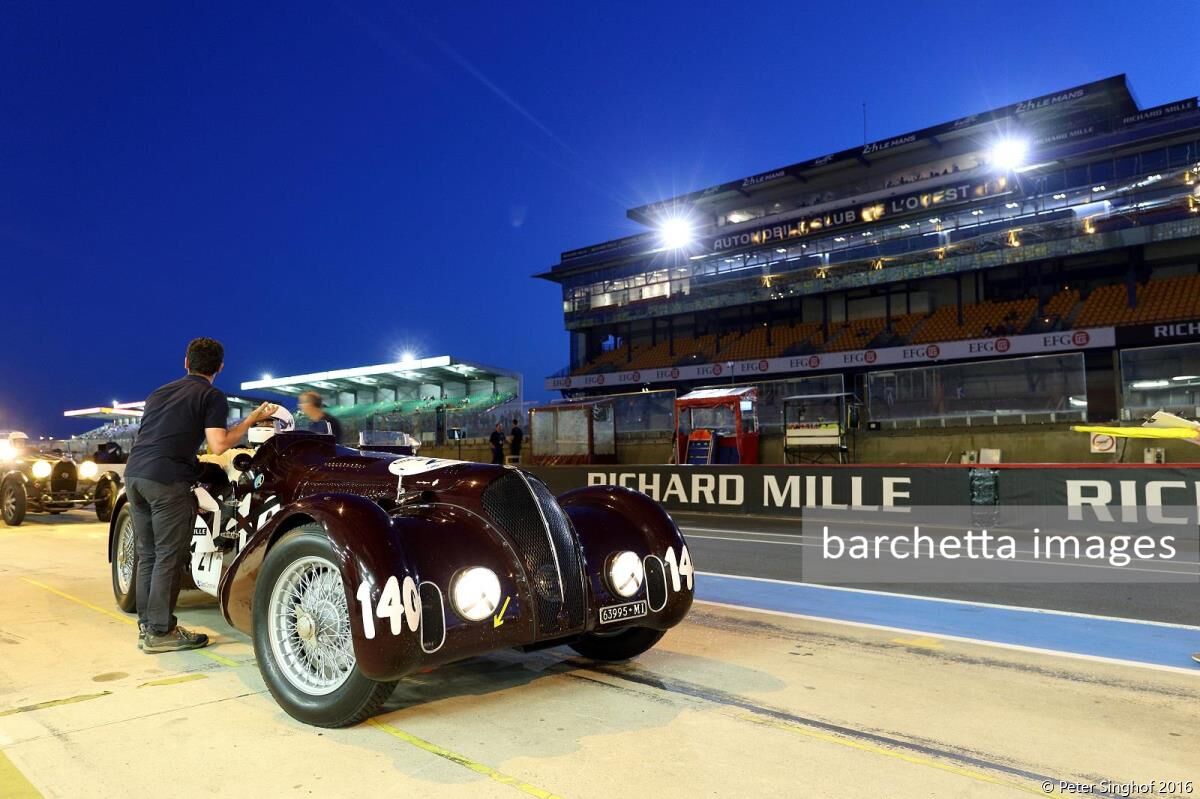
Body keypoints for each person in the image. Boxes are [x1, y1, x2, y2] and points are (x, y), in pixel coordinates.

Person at [124, 337, 278, 654]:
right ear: (219, 367)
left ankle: (148, 626)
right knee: (169, 556)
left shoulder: (158, 393)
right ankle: (161, 632)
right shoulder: (210, 395)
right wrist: (250, 421)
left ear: (186, 362)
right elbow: (218, 445)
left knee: (148, 554)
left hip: (135, 475)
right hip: (167, 480)